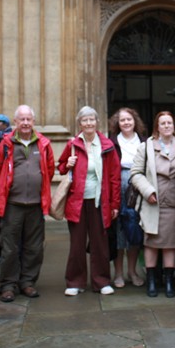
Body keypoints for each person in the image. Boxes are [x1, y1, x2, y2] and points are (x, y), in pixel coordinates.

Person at [0, 105, 55, 302]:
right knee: (10, 247)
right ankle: (8, 285)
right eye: (22, 119)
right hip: (13, 205)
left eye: (29, 119)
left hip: (35, 205)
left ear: (33, 121)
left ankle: (28, 282)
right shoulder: (6, 144)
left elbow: (50, 170)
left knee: (34, 247)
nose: (26, 123)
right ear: (16, 122)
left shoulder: (43, 144)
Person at [57, 106, 121, 296]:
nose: (88, 123)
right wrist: (66, 164)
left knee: (100, 243)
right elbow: (61, 167)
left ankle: (101, 282)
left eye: (92, 119)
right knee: (77, 244)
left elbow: (114, 177)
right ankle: (74, 282)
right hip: (77, 201)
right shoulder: (73, 144)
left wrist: (115, 204)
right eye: (85, 120)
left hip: (100, 202)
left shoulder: (107, 145)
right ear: (80, 124)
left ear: (97, 122)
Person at [130, 111, 175, 298]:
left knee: (171, 243)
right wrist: (148, 191)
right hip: (153, 203)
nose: (166, 126)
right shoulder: (145, 147)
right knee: (152, 243)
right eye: (162, 123)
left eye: (169, 123)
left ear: (174, 126)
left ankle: (170, 281)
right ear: (157, 126)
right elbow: (136, 173)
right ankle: (152, 281)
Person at [108, 107, 147, 288]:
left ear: (135, 121)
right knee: (119, 231)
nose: (126, 123)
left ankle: (132, 271)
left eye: (129, 119)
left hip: (138, 187)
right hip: (118, 186)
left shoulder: (144, 141)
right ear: (117, 123)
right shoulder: (111, 142)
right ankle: (118, 273)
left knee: (134, 230)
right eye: (122, 120)